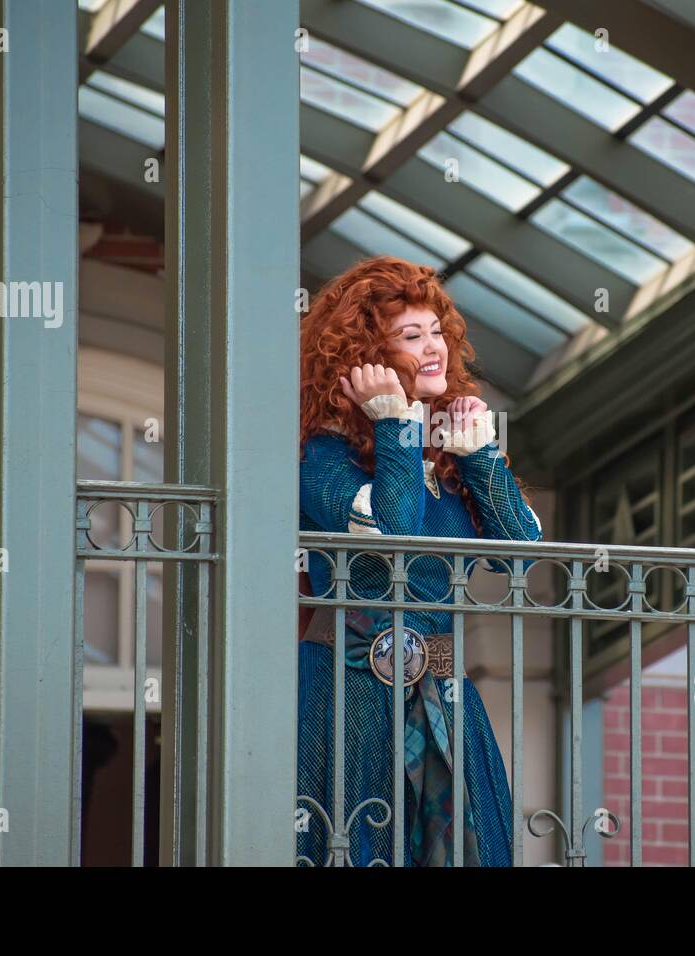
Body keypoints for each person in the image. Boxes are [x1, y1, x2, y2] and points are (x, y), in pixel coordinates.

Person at [296, 255, 543, 867]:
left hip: (448, 695)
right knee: (361, 849)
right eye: (411, 337)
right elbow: (395, 532)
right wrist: (398, 424)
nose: (434, 349)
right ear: (365, 357)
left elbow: (522, 556)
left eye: (437, 332)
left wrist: (483, 454)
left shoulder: (447, 457)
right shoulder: (323, 459)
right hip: (351, 691)